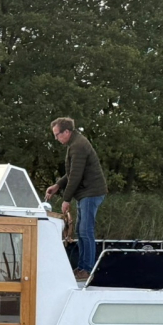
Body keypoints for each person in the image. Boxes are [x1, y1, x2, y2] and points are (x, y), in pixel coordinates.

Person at [44, 117, 107, 281]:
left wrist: (66, 199)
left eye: (57, 134)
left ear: (66, 132)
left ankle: (87, 270)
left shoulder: (78, 146)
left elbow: (76, 176)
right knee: (80, 230)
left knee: (86, 230)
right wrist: (58, 185)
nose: (56, 138)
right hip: (86, 193)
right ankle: (82, 267)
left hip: (91, 192)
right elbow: (73, 172)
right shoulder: (74, 143)